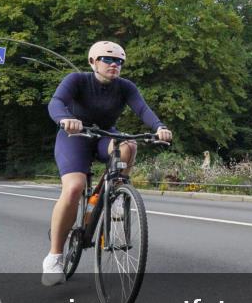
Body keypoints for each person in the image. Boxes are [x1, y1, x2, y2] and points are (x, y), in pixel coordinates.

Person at [42, 41, 172, 286]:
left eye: (119, 61)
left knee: (128, 145)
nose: (115, 65)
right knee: (74, 187)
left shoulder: (125, 87)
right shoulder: (77, 80)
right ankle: (54, 257)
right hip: (74, 135)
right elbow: (56, 102)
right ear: (93, 61)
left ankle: (116, 193)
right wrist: (66, 119)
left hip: (104, 135)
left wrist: (160, 127)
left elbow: (143, 109)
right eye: (108, 59)